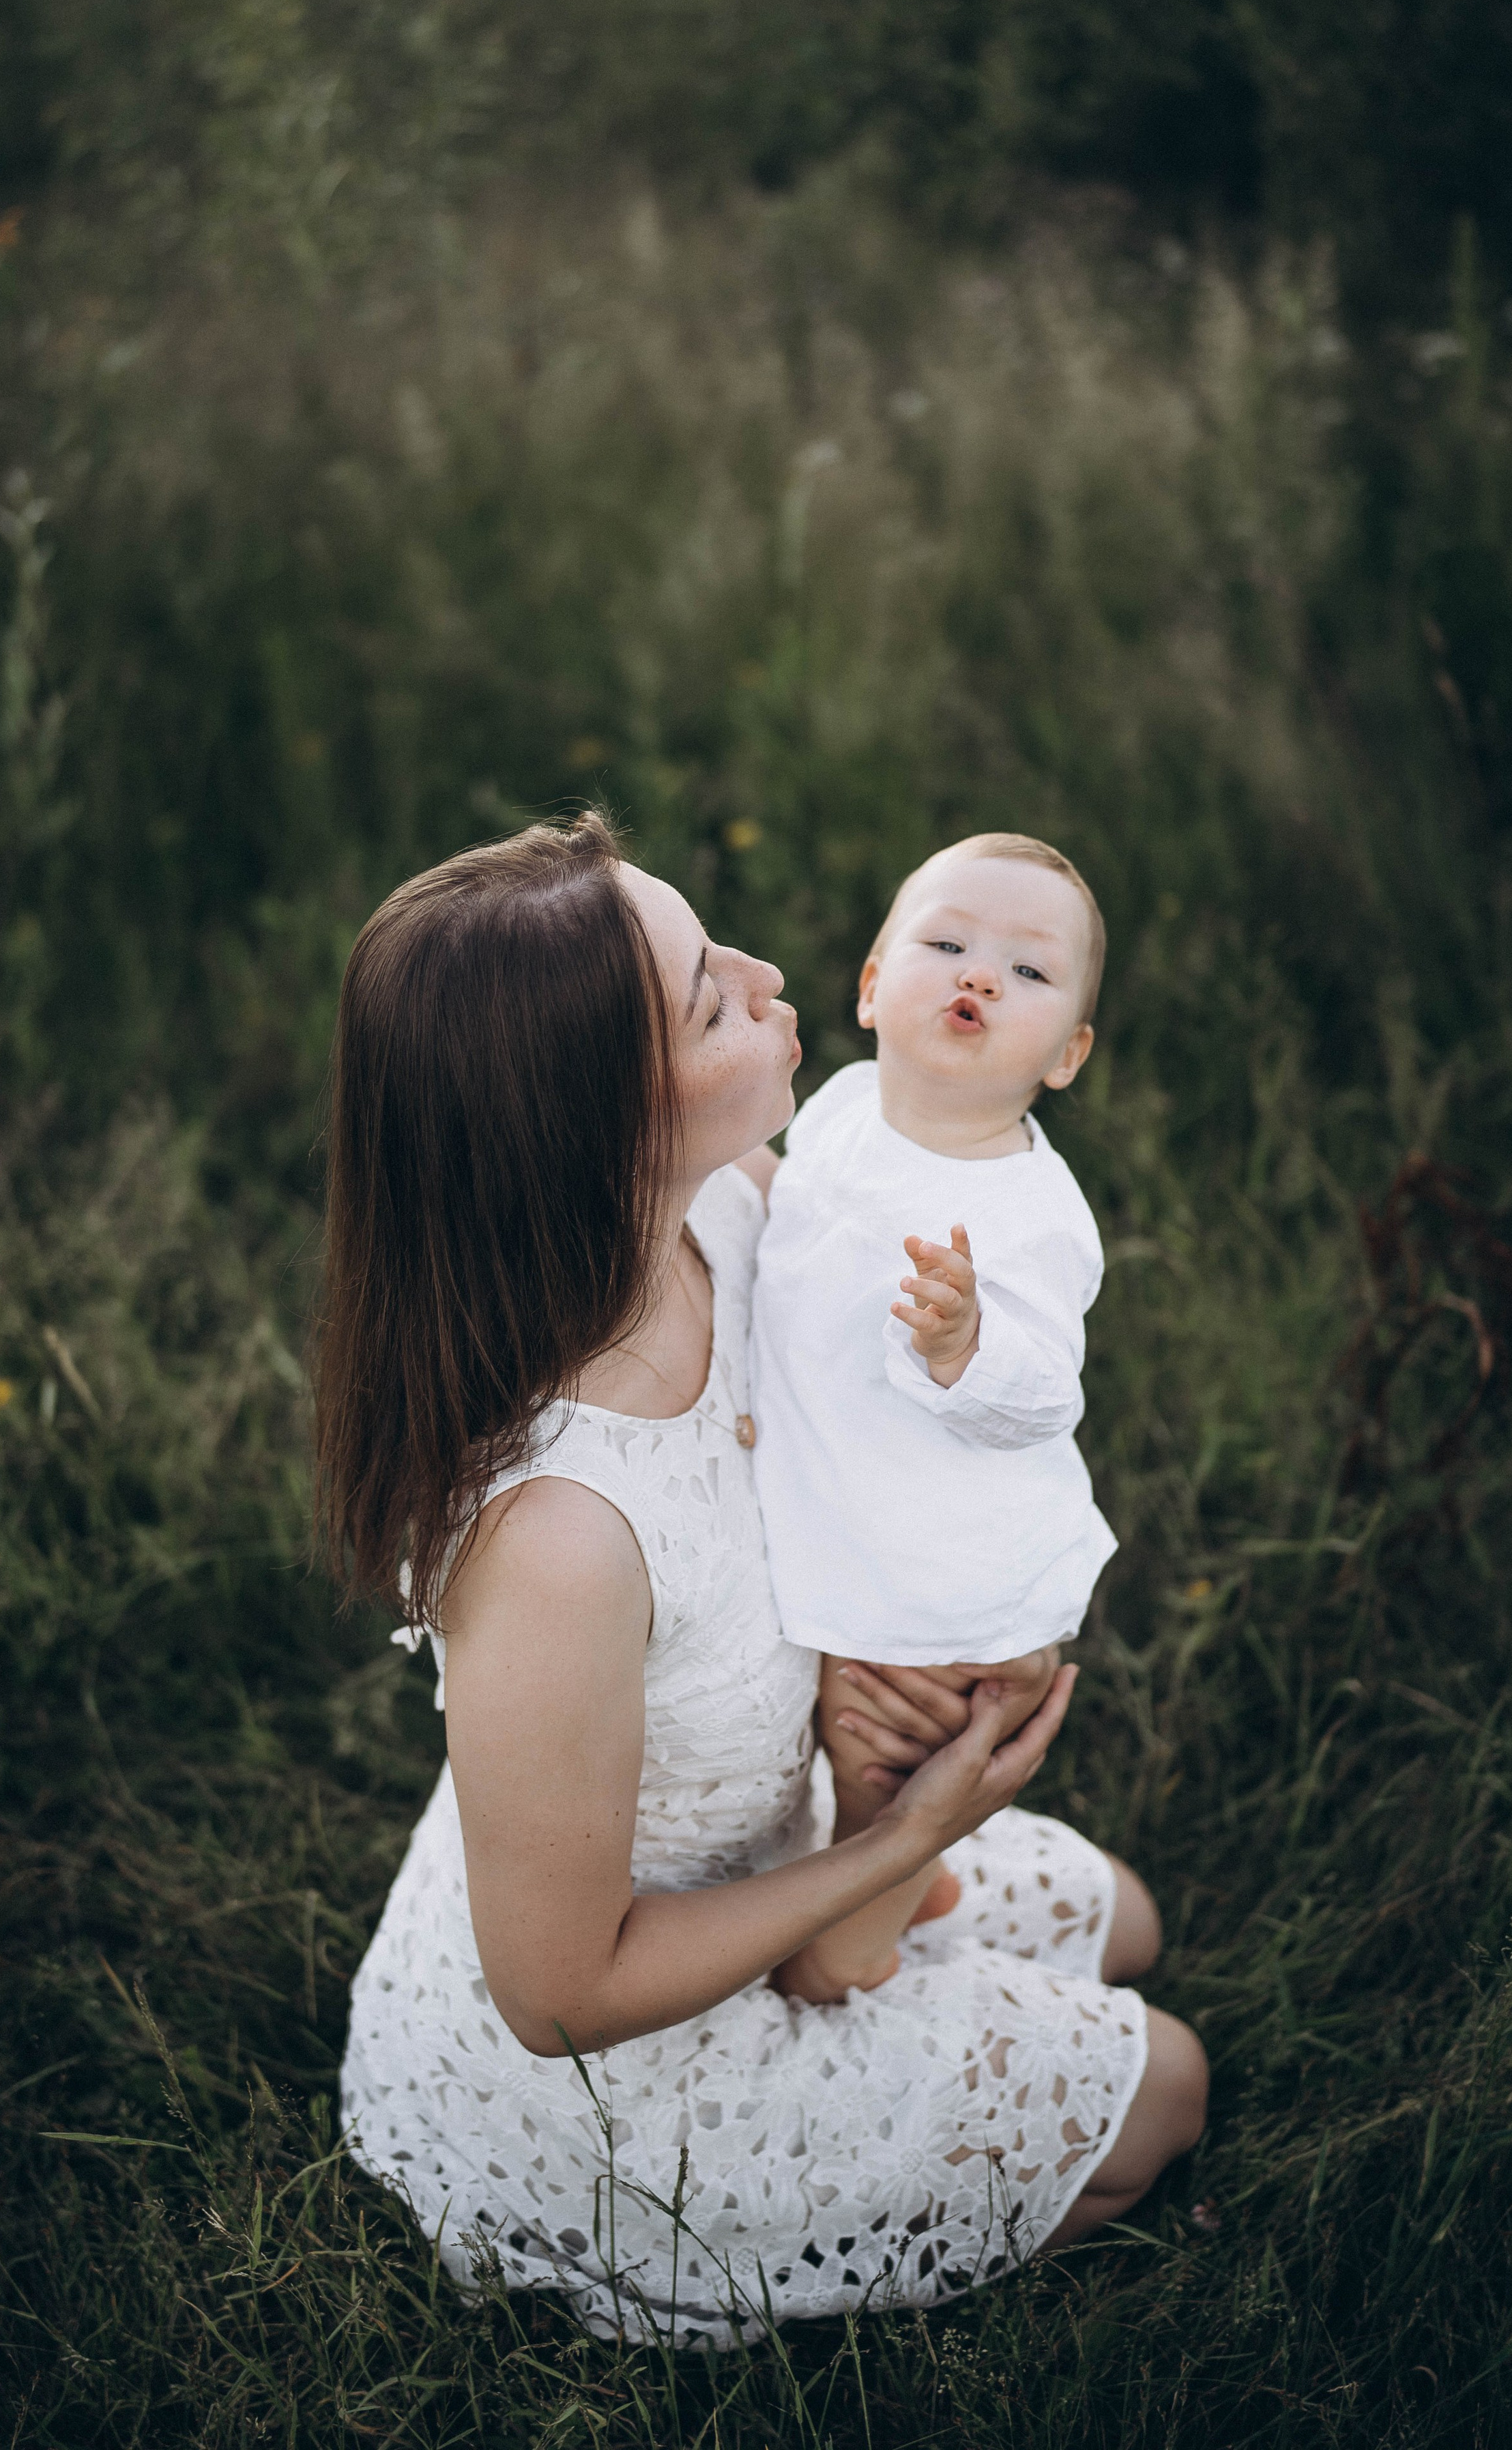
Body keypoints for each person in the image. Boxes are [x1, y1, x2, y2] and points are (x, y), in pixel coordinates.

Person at [321, 813, 1206, 2348]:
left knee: (1121, 1917)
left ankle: (856, 1942)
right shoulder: (552, 1539)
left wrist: (906, 1666)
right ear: (600, 1117)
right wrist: (903, 1833)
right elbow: (559, 1996)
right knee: (1170, 2091)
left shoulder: (728, 1203)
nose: (771, 972)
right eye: (710, 997)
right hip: (616, 2058)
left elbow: (886, 1431)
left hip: (780, 1820)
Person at [752, 834, 1117, 2002]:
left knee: (882, 1765)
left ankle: (854, 1954)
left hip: (949, 1579)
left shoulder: (1027, 1210)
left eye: (1027, 971)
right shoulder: (845, 1107)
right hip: (855, 1514)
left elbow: (1047, 1393)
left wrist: (969, 1348)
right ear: (869, 987)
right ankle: (920, 1890)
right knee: (837, 1747)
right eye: (948, 944)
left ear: (1065, 1056)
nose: (979, 977)